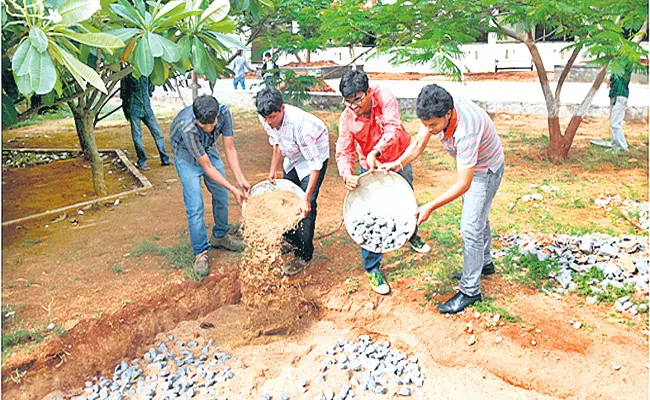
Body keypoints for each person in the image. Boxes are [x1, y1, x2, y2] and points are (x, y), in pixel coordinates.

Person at [383, 84, 504, 314]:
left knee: (470, 227)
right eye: (426, 125)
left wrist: (431, 206)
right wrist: (397, 163)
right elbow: (418, 144)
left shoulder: (467, 129)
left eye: (433, 126)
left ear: (448, 114)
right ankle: (484, 263)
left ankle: (470, 291)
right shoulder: (434, 108)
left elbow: (464, 183)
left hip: (486, 169)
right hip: (475, 166)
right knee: (477, 215)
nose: (429, 130)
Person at [335, 70, 431, 296]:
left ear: (368, 92)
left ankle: (410, 234)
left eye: (357, 100)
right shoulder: (347, 118)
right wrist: (347, 173)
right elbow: (343, 151)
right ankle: (372, 267)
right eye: (348, 102)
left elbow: (393, 128)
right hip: (368, 166)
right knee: (370, 210)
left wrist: (376, 151)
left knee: (405, 199)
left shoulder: (384, 96)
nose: (353, 107)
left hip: (398, 158)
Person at [170, 95, 250, 277]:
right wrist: (233, 188)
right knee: (195, 206)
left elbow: (229, 148)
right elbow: (206, 166)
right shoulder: (188, 128)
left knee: (221, 193)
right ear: (196, 119)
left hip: (207, 148)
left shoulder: (224, 113)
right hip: (186, 155)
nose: (208, 128)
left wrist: (240, 179)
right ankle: (200, 253)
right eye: (203, 125)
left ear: (216, 115)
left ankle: (220, 236)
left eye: (211, 124)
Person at [256, 87, 330, 276]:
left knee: (305, 207)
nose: (269, 122)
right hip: (293, 154)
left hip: (313, 158)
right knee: (286, 201)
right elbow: (277, 142)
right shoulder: (266, 118)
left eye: (272, 117)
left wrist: (307, 197)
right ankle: (291, 239)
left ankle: (304, 254)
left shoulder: (301, 126)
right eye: (266, 118)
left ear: (282, 109)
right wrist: (273, 170)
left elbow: (315, 164)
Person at [120, 73, 171, 171]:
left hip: (146, 109)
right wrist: (127, 111)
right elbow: (124, 95)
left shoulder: (146, 73)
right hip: (135, 109)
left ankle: (164, 159)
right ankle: (142, 161)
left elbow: (150, 89)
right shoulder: (128, 75)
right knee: (139, 136)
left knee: (157, 134)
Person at [591, 60, 632, 152]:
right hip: (614, 96)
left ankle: (622, 147)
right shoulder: (614, 67)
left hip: (620, 96)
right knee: (613, 123)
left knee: (615, 124)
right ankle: (615, 145)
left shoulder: (626, 63)